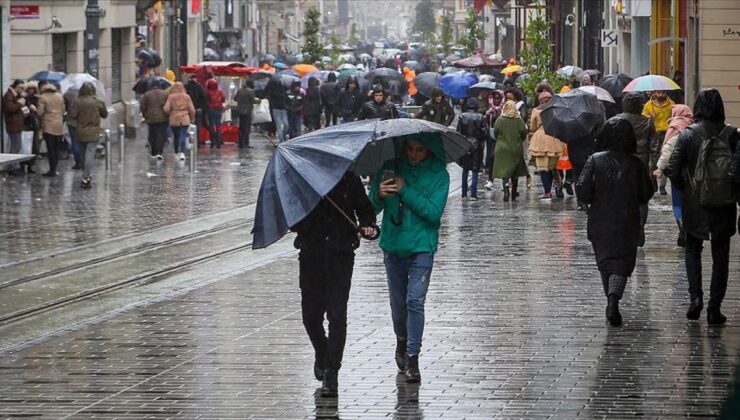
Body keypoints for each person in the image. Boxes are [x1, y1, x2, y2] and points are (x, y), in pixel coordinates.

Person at [368, 135, 450, 383]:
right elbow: (370, 208)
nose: (413, 154)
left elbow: (433, 214)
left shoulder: (439, 175)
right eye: (410, 149)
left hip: (422, 246)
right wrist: (379, 195)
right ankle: (401, 340)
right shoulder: (391, 167)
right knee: (398, 302)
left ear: (429, 150)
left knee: (415, 300)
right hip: (393, 244)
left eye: (420, 150)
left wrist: (406, 190)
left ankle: (413, 357)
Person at [291, 172, 377, 398]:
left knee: (337, 315)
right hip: (311, 255)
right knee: (310, 316)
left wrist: (368, 226)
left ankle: (332, 372)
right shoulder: (305, 180)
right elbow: (292, 219)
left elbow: (365, 210)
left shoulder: (349, 178)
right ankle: (322, 352)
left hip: (341, 254)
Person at [665, 88, 740, 325]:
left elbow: (672, 169)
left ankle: (695, 298)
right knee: (721, 256)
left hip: (695, 202)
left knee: (692, 249)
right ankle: (714, 308)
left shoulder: (689, 135)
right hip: (723, 203)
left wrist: (686, 187)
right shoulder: (733, 134)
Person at [576, 117, 654, 326]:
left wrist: (594, 196)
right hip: (627, 220)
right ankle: (613, 299)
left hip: (600, 220)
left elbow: (583, 190)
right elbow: (647, 192)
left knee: (605, 262)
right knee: (621, 263)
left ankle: (611, 299)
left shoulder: (595, 159)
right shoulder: (636, 163)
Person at [617, 91, 656, 246]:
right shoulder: (647, 122)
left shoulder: (616, 120)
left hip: (620, 165)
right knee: (642, 198)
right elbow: (654, 147)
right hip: (641, 164)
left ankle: (625, 227)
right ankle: (639, 225)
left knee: (621, 197)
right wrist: (655, 166)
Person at [654, 104, 694, 247]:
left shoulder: (675, 125)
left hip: (677, 172)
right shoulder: (692, 125)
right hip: (691, 172)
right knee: (689, 200)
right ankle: (689, 226)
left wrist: (659, 168)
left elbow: (668, 149)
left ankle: (682, 226)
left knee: (677, 200)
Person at [69, 82, 107, 189]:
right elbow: (105, 114)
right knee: (89, 155)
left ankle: (86, 175)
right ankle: (86, 177)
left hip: (80, 131)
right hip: (93, 132)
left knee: (82, 155)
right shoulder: (98, 102)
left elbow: (73, 115)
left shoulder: (77, 101)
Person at [528, 92, 565, 199]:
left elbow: (532, 127)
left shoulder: (536, 110)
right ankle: (557, 186)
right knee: (552, 167)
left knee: (543, 168)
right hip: (554, 138)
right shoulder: (557, 109)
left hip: (540, 139)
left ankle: (547, 192)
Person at [492, 100, 528, 201]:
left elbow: (495, 133)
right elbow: (524, 133)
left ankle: (506, 189)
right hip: (515, 148)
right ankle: (513, 192)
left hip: (502, 149)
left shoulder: (500, 120)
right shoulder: (519, 120)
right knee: (515, 171)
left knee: (504, 171)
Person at [643, 90, 676, 194]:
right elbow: (643, 120)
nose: (661, 95)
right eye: (658, 93)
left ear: (666, 93)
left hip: (667, 133)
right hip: (654, 134)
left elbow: (675, 117)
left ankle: (662, 186)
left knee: (665, 158)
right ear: (655, 93)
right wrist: (650, 117)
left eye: (663, 93)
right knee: (653, 161)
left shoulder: (672, 104)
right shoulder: (649, 105)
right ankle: (654, 186)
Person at [457, 98, 486, 200]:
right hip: (476, 145)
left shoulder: (462, 116)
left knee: (465, 170)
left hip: (465, 144)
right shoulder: (481, 117)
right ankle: (473, 194)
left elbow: (458, 132)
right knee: (475, 170)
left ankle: (464, 194)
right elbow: (483, 133)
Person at [36, 81, 66, 176]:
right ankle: (55, 168)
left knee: (51, 148)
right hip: (59, 125)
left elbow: (39, 112)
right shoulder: (60, 96)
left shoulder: (43, 97)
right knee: (56, 148)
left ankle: (52, 170)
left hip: (48, 125)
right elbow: (63, 110)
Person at [164, 81, 195, 160]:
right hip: (185, 118)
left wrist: (169, 113)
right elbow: (192, 109)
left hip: (174, 119)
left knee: (176, 136)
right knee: (183, 135)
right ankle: (182, 152)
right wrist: (192, 118)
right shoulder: (187, 96)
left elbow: (166, 108)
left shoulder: (171, 97)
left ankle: (176, 151)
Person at [2, 80, 27, 176]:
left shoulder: (15, 95)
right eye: (20, 87)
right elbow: (10, 108)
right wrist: (20, 103)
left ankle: (14, 166)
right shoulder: (8, 95)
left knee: (17, 146)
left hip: (17, 124)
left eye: (23, 88)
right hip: (13, 124)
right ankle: (12, 168)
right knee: (15, 147)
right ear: (15, 86)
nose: (21, 89)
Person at [140, 81, 169, 159]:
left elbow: (142, 106)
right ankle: (160, 151)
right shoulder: (165, 94)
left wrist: (145, 115)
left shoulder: (147, 94)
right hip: (163, 117)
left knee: (152, 134)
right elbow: (168, 106)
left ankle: (153, 152)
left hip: (150, 117)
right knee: (161, 134)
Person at [483, 90, 504, 191]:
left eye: (498, 98)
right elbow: (485, 124)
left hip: (503, 137)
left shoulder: (504, 110)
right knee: (491, 157)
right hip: (491, 137)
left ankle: (505, 181)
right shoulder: (489, 110)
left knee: (504, 158)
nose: (496, 100)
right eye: (495, 98)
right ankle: (490, 179)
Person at [234, 80, 258, 148]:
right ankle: (246, 143)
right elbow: (253, 101)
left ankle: (240, 143)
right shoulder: (251, 91)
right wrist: (259, 101)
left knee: (241, 127)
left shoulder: (240, 90)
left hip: (240, 111)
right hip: (247, 111)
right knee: (247, 128)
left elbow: (235, 99)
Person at [184, 75, 207, 145]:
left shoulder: (186, 86)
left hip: (187, 110)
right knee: (197, 126)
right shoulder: (199, 86)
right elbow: (204, 97)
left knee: (187, 126)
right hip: (197, 109)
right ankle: (197, 143)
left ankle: (188, 142)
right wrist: (201, 107)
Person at [266, 76, 289, 142]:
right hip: (276, 108)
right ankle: (282, 139)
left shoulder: (283, 87)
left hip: (281, 108)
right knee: (280, 124)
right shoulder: (273, 89)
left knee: (284, 124)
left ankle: (282, 137)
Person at [205, 79, 225, 148]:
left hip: (211, 110)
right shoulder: (220, 92)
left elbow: (206, 101)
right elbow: (223, 99)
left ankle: (212, 141)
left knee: (211, 126)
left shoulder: (207, 92)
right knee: (218, 126)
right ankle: (218, 141)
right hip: (219, 110)